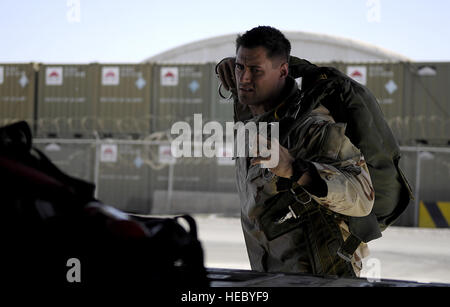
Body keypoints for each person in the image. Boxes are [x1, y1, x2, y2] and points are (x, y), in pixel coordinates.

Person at [216, 26, 375, 277]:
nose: (243, 79)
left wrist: (294, 168)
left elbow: (363, 198)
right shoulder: (256, 118)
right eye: (239, 68)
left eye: (255, 70)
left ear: (283, 72)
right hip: (272, 272)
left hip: (322, 276)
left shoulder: (313, 126)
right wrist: (230, 67)